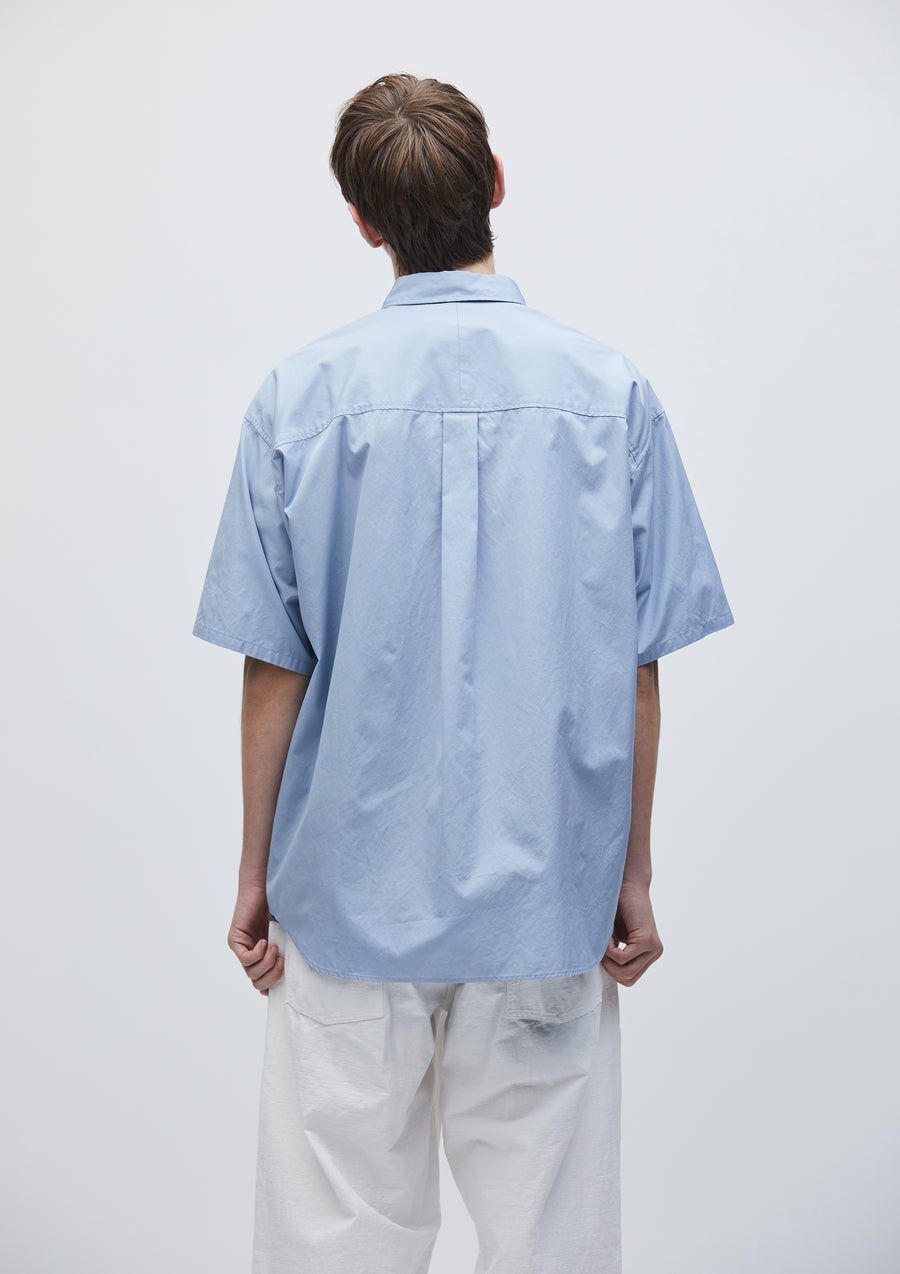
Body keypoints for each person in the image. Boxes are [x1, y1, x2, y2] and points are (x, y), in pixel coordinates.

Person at [192, 72, 734, 1274]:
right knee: (552, 1242)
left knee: (334, 1241)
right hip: (546, 897)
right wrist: (632, 871)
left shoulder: (298, 400)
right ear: (494, 184)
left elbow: (273, 666)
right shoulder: (611, 393)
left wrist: (253, 871)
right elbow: (636, 668)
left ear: (362, 221)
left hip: (346, 896)